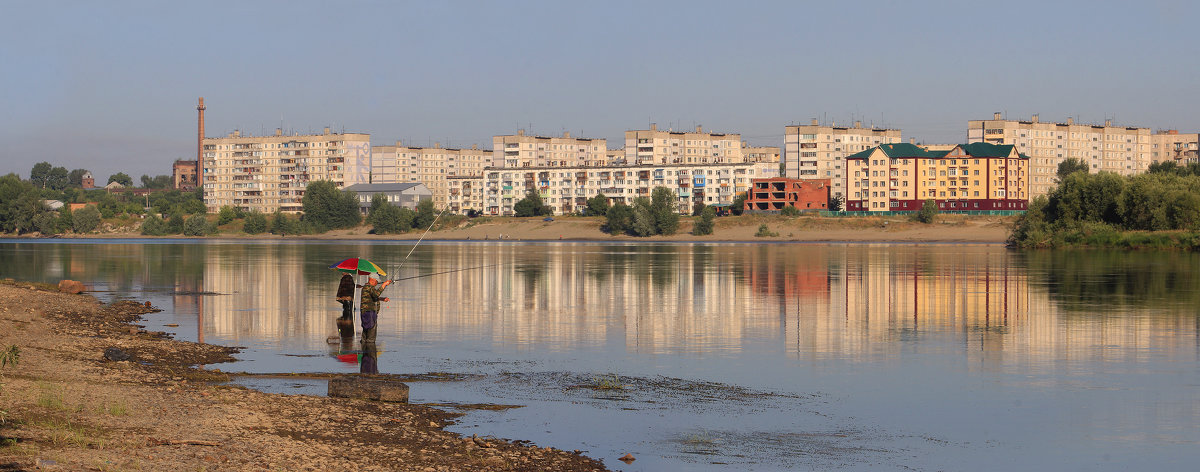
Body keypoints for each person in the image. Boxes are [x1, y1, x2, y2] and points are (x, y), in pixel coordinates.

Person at [359, 277, 391, 344]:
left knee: (366, 329)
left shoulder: (367, 287)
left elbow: (373, 296)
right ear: (373, 280)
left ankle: (365, 348)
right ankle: (370, 349)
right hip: (369, 311)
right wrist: (384, 284)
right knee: (371, 331)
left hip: (367, 311)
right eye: (377, 281)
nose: (377, 283)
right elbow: (376, 294)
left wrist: (382, 299)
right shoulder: (368, 287)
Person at [335, 273, 356, 338]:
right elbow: (350, 287)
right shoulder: (348, 278)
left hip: (345, 299)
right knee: (349, 313)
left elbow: (346, 287)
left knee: (347, 313)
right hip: (348, 299)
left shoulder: (344, 278)